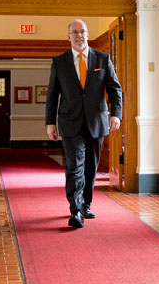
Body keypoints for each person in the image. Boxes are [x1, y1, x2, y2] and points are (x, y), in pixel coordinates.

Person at [45, 19, 122, 228]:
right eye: (75, 32)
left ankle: (86, 203)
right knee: (74, 166)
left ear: (87, 35)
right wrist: (50, 123)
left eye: (82, 32)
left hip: (96, 121)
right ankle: (76, 210)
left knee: (90, 166)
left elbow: (115, 89)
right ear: (69, 36)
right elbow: (52, 94)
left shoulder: (102, 59)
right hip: (70, 122)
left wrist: (116, 114)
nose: (79, 36)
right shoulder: (59, 62)